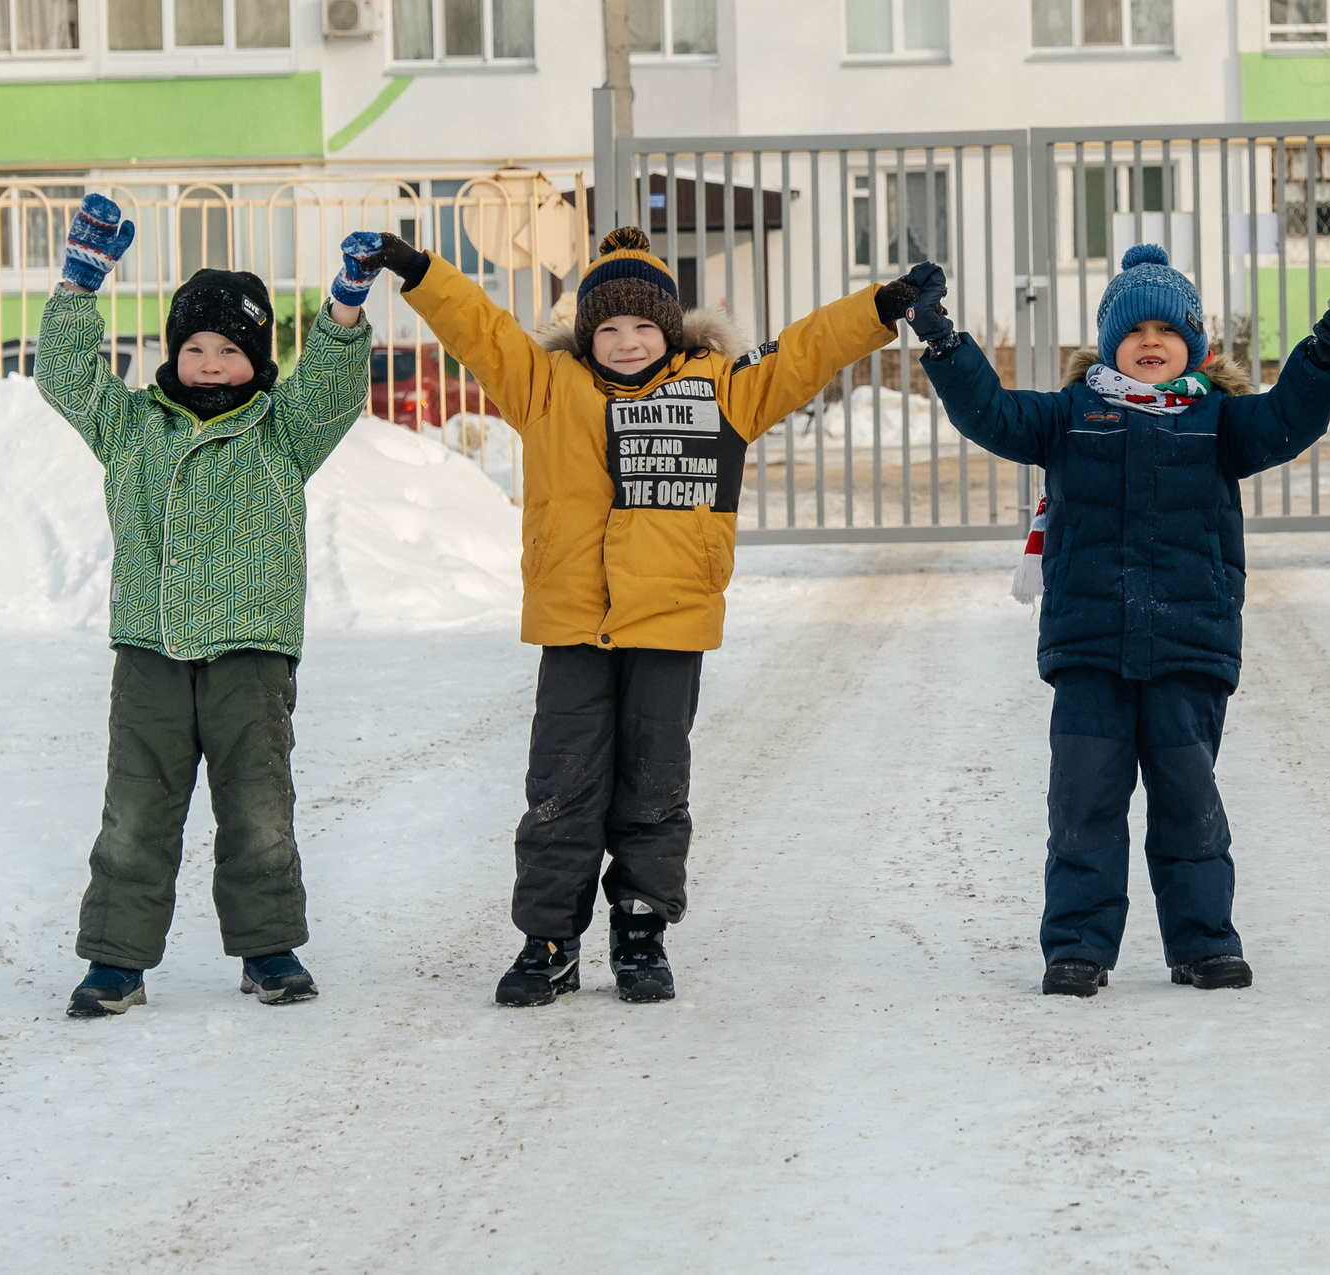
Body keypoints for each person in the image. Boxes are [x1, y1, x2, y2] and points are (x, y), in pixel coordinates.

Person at [347, 225, 923, 1007]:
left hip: (669, 625)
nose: (625, 341)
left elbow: (806, 352)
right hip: (574, 625)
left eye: (643, 326)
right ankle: (547, 939)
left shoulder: (722, 389)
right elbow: (478, 329)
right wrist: (417, 270)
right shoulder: (544, 386)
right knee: (561, 782)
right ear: (585, 335)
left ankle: (640, 926)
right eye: (608, 328)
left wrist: (880, 306)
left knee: (654, 780)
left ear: (672, 329)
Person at [908, 244, 1330, 997]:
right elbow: (990, 413)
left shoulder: (1220, 420)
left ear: (1194, 343)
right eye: (1134, 330)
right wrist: (945, 344)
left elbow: (1290, 418)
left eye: (1167, 328)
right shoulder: (1069, 414)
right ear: (1108, 341)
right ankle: (1079, 945)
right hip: (1091, 645)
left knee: (1190, 803)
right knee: (1085, 803)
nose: (1150, 341)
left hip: (1190, 642)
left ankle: (1203, 940)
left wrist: (1327, 344)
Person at [38, 194, 387, 1018]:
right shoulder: (131, 426)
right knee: (135, 810)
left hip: (250, 653)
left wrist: (342, 306)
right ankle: (116, 961)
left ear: (255, 358)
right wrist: (78, 286)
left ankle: (268, 948)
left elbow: (333, 390)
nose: (207, 363)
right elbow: (65, 378)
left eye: (228, 349)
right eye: (193, 347)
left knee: (258, 807)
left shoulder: (283, 429)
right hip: (151, 651)